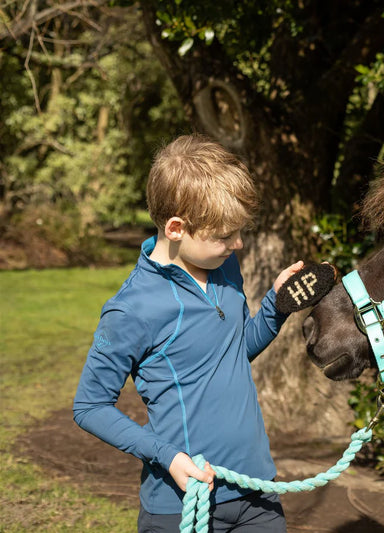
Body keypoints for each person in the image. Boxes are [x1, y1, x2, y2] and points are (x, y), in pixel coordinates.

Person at [73, 134, 303, 532]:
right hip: (181, 505)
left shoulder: (224, 268)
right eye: (224, 235)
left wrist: (275, 307)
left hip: (257, 492)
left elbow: (230, 354)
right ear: (176, 227)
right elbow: (89, 406)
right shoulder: (131, 309)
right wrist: (166, 455)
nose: (238, 243)